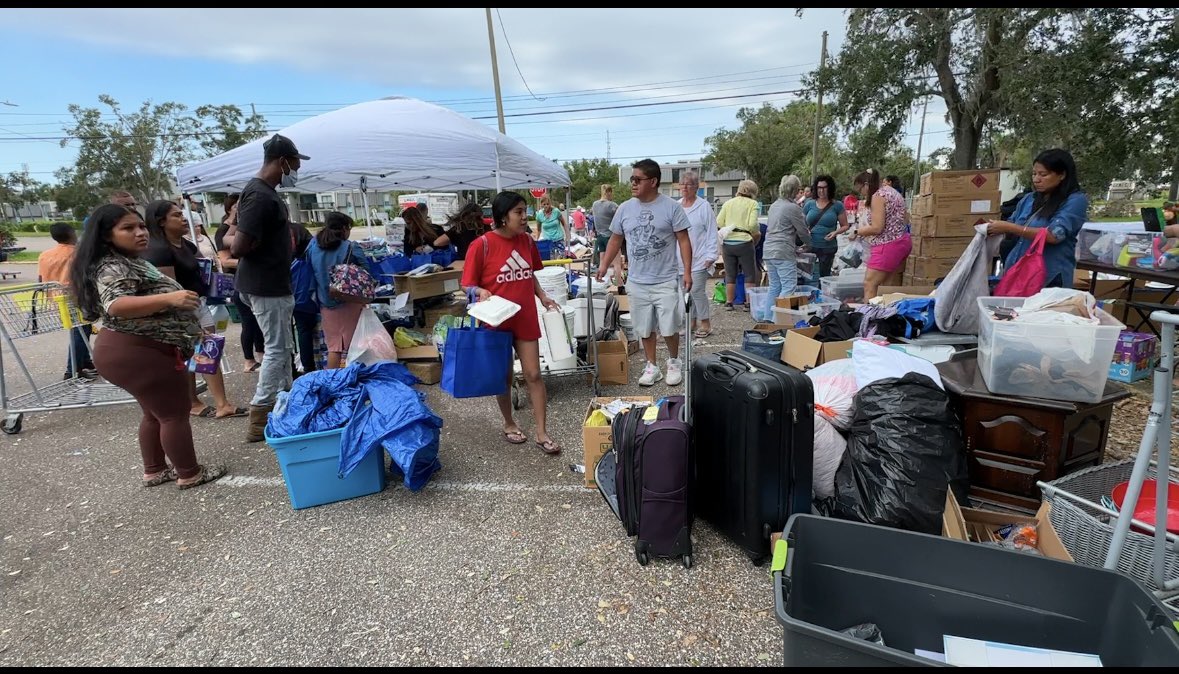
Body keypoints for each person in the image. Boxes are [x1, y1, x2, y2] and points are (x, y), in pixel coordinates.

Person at [69, 204, 226, 489]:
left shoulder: (127, 260)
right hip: (141, 351)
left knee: (154, 413)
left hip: (132, 350)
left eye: (141, 226)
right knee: (174, 414)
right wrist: (171, 299)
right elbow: (116, 304)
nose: (140, 233)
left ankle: (154, 470)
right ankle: (190, 473)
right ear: (106, 235)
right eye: (128, 228)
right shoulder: (113, 265)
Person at [462, 192, 563, 455]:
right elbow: (467, 285)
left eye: (525, 211)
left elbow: (529, 275)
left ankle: (542, 432)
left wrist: (542, 296)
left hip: (525, 316)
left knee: (534, 374)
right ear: (503, 217)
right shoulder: (481, 245)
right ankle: (509, 423)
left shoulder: (527, 241)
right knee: (503, 377)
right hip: (496, 319)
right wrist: (480, 291)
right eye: (518, 212)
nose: (524, 216)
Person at [228, 133, 309, 443]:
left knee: (284, 346)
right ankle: (259, 414)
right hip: (265, 286)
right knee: (276, 349)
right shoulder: (260, 195)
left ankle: (287, 401)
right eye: (296, 164)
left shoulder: (263, 193)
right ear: (283, 162)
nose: (296, 170)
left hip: (269, 283)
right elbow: (237, 246)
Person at [142, 199, 247, 420]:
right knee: (191, 354)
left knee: (208, 351)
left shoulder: (186, 244)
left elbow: (205, 267)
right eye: (177, 215)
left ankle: (219, 403)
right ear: (161, 221)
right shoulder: (159, 251)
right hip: (181, 311)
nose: (183, 219)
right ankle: (196, 402)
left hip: (198, 304)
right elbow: (167, 290)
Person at [596, 159, 692, 387]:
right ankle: (652, 365)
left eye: (638, 179)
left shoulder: (671, 207)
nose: (633, 183)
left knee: (670, 326)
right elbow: (615, 240)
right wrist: (604, 265)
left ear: (653, 181)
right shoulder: (624, 209)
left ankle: (673, 362)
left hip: (665, 278)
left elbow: (684, 241)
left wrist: (687, 271)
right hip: (638, 281)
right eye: (632, 179)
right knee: (644, 327)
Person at [987, 148, 1089, 289]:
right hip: (1018, 273)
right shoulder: (1029, 199)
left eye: (1043, 174)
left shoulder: (1075, 200)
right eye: (1034, 174)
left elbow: (1054, 235)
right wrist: (994, 228)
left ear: (1062, 175)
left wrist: (1009, 228)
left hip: (1049, 276)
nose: (1036, 179)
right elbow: (1012, 222)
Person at [306, 212, 367, 369]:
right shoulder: (351, 247)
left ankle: (333, 382)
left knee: (334, 348)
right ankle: (352, 381)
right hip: (350, 301)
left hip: (325, 302)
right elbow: (366, 273)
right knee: (354, 346)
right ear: (345, 228)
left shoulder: (313, 246)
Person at [37, 222, 96, 380]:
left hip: (55, 298)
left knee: (84, 329)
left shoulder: (45, 255)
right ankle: (72, 370)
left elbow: (41, 278)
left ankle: (84, 361)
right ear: (71, 234)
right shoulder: (77, 253)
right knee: (79, 331)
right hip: (74, 297)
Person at [215, 195, 265, 372]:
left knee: (259, 321)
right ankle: (248, 360)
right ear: (230, 209)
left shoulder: (248, 227)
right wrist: (251, 263)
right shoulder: (224, 231)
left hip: (255, 281)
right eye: (238, 206)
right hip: (238, 282)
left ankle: (261, 355)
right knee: (248, 321)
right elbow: (225, 260)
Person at [853, 169, 912, 300]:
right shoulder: (891, 192)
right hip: (902, 241)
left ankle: (869, 317)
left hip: (887, 245)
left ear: (866, 184)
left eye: (860, 190)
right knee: (887, 288)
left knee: (869, 284)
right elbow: (906, 218)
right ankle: (885, 316)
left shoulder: (877, 197)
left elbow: (877, 227)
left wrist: (857, 231)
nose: (862, 194)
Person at [677, 171, 719, 338]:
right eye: (682, 184)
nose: (685, 187)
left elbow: (711, 231)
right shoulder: (677, 206)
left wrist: (711, 255)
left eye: (689, 184)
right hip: (680, 258)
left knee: (697, 290)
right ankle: (691, 322)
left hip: (700, 257)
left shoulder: (704, 206)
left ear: (696, 187)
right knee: (685, 292)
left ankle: (705, 323)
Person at [716, 179, 761, 310]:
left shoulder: (728, 203)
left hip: (728, 243)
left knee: (730, 274)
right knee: (749, 274)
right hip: (745, 242)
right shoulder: (753, 204)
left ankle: (729, 302)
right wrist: (752, 233)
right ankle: (748, 303)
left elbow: (719, 221)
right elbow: (753, 225)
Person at [765, 175, 812, 300]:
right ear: (795, 190)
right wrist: (809, 244)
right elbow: (803, 231)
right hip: (783, 251)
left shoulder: (774, 205)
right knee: (789, 286)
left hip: (769, 250)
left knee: (775, 286)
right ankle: (781, 317)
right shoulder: (793, 208)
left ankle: (769, 316)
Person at [802, 175, 851, 279]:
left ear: (830, 188)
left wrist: (835, 233)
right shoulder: (809, 204)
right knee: (807, 277)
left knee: (824, 277)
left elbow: (845, 225)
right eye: (819, 187)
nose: (822, 191)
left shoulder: (837, 205)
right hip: (810, 246)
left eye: (824, 187)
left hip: (828, 247)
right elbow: (801, 223)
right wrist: (805, 232)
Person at [290, 221, 318, 376]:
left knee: (294, 332)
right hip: (305, 296)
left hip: (287, 294)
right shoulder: (310, 251)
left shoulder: (287, 256)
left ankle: (295, 368)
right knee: (304, 330)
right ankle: (308, 367)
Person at [592, 184, 623, 283]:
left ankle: (600, 280)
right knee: (617, 263)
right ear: (608, 192)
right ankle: (618, 285)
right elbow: (621, 217)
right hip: (611, 237)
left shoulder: (595, 204)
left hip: (600, 237)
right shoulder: (612, 205)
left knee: (602, 261)